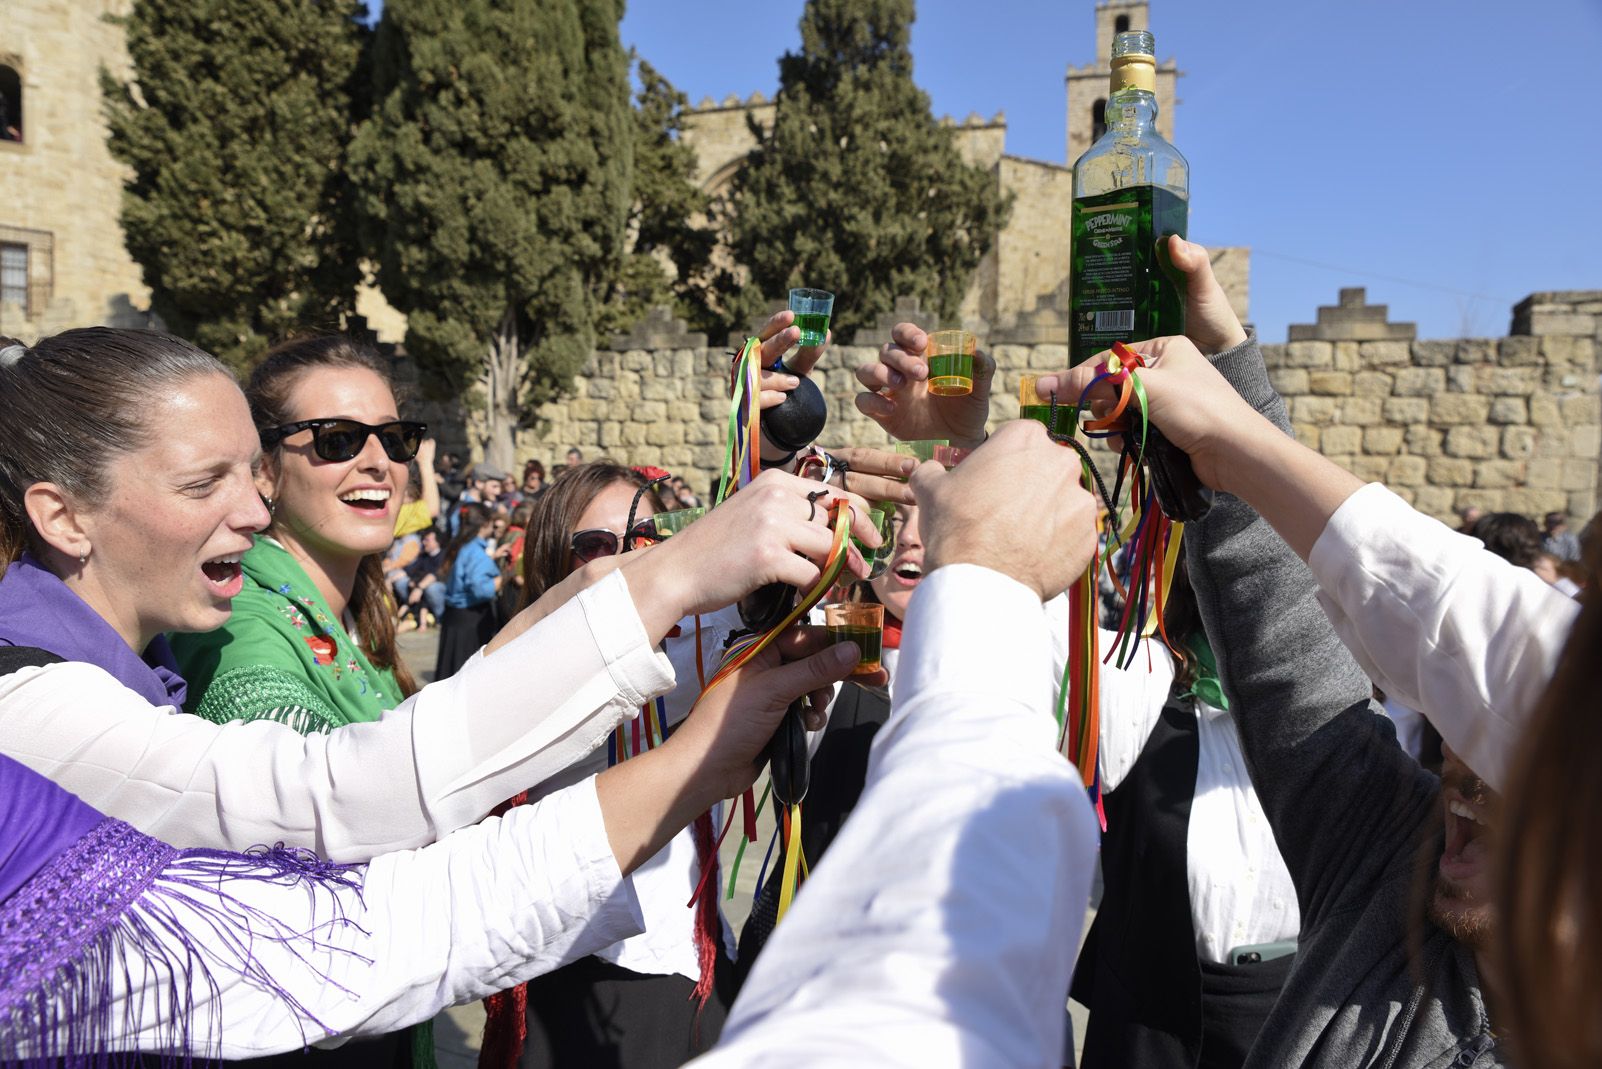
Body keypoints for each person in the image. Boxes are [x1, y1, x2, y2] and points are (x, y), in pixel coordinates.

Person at [0, 328, 882, 872]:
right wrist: (676, 577)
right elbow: (343, 803)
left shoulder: (337, 615)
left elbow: (443, 715)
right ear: (271, 465)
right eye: (339, 439)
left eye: (397, 436)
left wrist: (730, 480)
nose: (380, 461)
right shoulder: (244, 627)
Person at [0, 613, 859, 1062]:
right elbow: (321, 904)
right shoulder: (34, 713)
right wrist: (692, 759)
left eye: (397, 435)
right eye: (335, 437)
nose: (251, 505)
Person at [1049, 323, 1518, 1066]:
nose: (1466, 769)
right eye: (1466, 735)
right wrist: (1227, 401)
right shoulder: (1398, 874)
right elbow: (1284, 636)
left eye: (1519, 757)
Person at [693, 420, 1102, 1067]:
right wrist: (778, 460)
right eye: (898, 518)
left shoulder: (1035, 658)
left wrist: (973, 442)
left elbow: (1023, 568)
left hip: (987, 1005)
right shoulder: (828, 646)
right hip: (816, 986)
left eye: (930, 518)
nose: (912, 535)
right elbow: (738, 618)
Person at [434, 501, 504, 680]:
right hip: (470, 621)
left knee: (449, 672)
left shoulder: (459, 545)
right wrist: (499, 581)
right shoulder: (476, 553)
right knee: (465, 676)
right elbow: (480, 589)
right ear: (484, 524)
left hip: (454, 617)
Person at [398, 525, 446, 631]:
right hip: (420, 594)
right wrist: (389, 579)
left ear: (437, 541)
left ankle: (440, 619)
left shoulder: (444, 555)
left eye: (427, 540)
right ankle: (416, 616)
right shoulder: (423, 556)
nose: (424, 542)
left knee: (432, 587)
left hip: (440, 591)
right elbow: (408, 571)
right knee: (402, 582)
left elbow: (435, 575)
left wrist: (419, 588)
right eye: (423, 539)